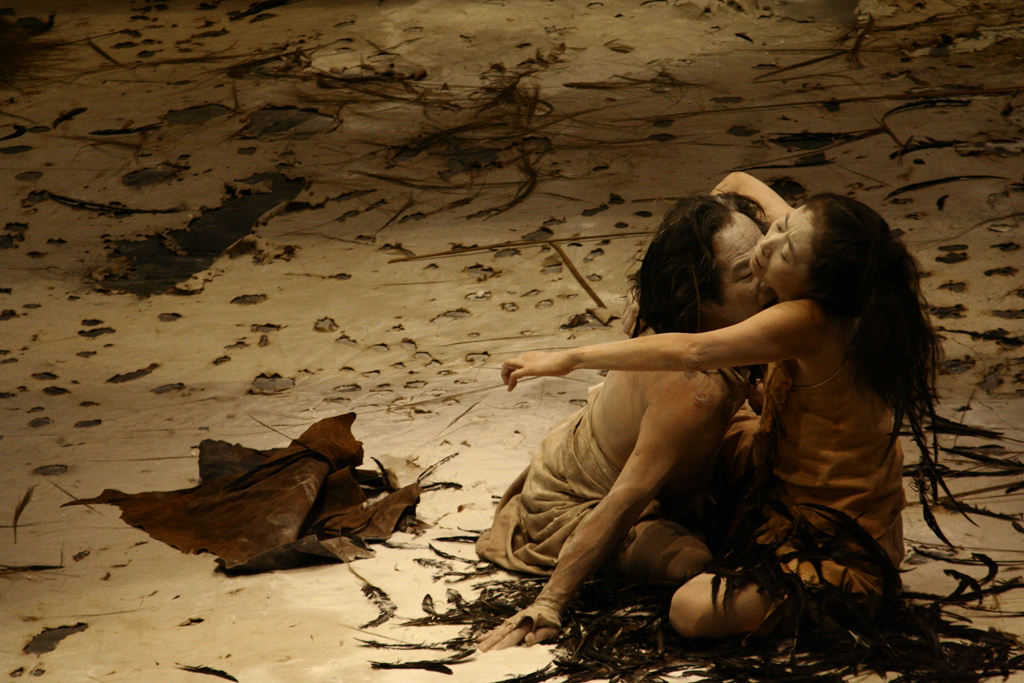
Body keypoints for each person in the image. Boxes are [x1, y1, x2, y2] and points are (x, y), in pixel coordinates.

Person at [500, 172, 942, 639]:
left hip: (829, 536)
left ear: (816, 284)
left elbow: (693, 350)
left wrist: (570, 358)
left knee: (693, 608)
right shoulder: (812, 248)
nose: (765, 248)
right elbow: (738, 182)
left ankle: (841, 602)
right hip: (599, 492)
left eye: (779, 255)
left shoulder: (806, 319)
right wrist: (673, 263)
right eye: (777, 226)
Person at [476, 188, 778, 652]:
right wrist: (551, 602)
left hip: (651, 451)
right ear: (699, 297)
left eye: (764, 256)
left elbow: (739, 180)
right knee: (694, 564)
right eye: (746, 273)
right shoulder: (694, 388)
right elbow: (625, 499)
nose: (767, 276)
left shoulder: (694, 318)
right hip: (580, 500)